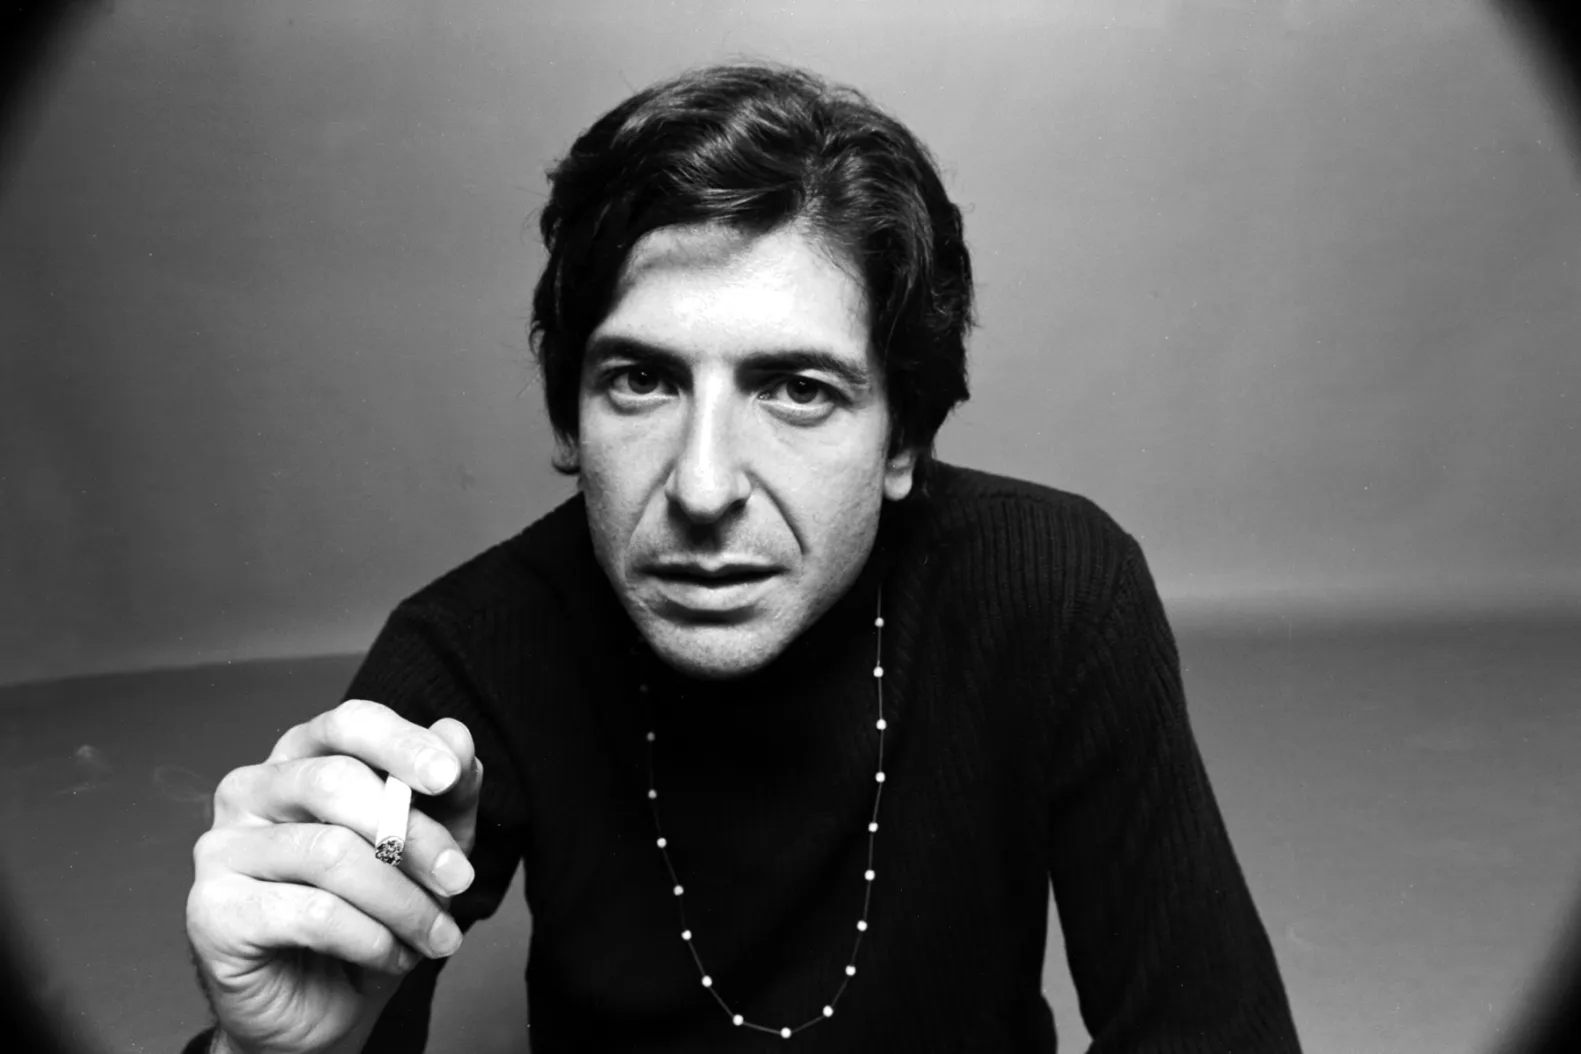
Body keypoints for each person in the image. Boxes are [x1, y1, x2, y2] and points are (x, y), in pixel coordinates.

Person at [180, 62, 1305, 1053]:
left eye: (797, 390)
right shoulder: (474, 650)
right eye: (641, 381)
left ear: (903, 438)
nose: (704, 486)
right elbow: (329, 1000)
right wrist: (276, 1052)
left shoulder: (1054, 589)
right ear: (571, 416)